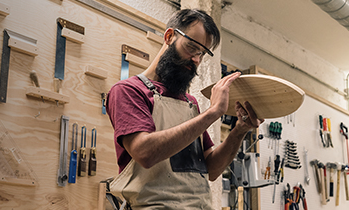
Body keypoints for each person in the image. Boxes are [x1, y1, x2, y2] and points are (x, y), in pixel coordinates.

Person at [106, 8, 264, 209]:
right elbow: (145, 153)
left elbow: (212, 170)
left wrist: (239, 130)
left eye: (201, 53)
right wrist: (214, 112)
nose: (196, 60)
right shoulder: (128, 91)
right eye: (191, 47)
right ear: (170, 36)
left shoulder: (190, 103)